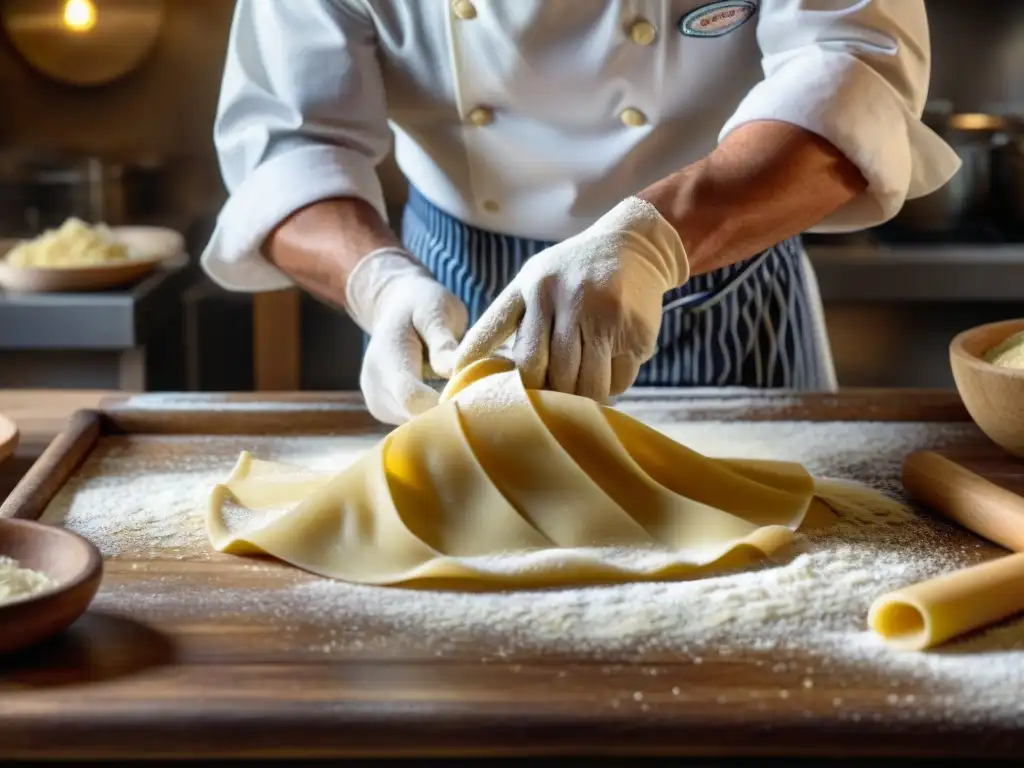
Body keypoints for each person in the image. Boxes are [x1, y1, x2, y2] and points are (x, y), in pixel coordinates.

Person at [200, 0, 960, 425]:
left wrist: (651, 243)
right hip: (457, 300)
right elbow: (289, 143)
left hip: (718, 269)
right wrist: (378, 284)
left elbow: (853, 76)